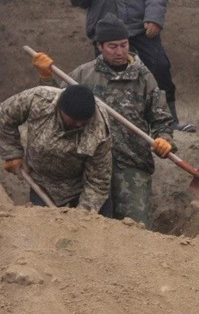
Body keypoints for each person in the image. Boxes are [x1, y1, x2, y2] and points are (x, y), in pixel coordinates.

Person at [33, 13, 175, 229]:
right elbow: (55, 107)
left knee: (137, 229)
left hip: (131, 163)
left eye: (124, 45)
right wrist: (46, 78)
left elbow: (161, 118)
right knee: (92, 228)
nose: (120, 52)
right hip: (88, 164)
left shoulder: (144, 77)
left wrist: (164, 140)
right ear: (100, 46)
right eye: (112, 46)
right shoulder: (82, 75)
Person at [64, 0, 196, 132]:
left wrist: (154, 17)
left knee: (160, 69)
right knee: (107, 81)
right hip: (105, 33)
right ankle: (110, 128)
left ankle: (169, 123)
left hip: (141, 26)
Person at [0, 85, 112, 213]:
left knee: (96, 229)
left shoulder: (99, 129)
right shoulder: (39, 99)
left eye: (84, 122)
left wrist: (82, 216)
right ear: (61, 109)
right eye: (74, 120)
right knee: (41, 229)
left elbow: (98, 182)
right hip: (43, 184)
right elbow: (4, 118)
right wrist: (12, 153)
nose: (79, 124)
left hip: (81, 186)